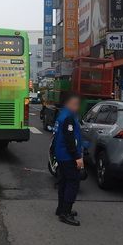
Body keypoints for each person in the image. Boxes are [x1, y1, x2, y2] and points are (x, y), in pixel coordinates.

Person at [52, 92, 85, 226]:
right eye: (75, 104)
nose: (77, 107)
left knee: (64, 182)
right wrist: (77, 157)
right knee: (72, 183)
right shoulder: (68, 118)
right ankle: (65, 213)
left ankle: (61, 209)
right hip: (68, 156)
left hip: (61, 154)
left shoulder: (63, 114)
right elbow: (70, 139)